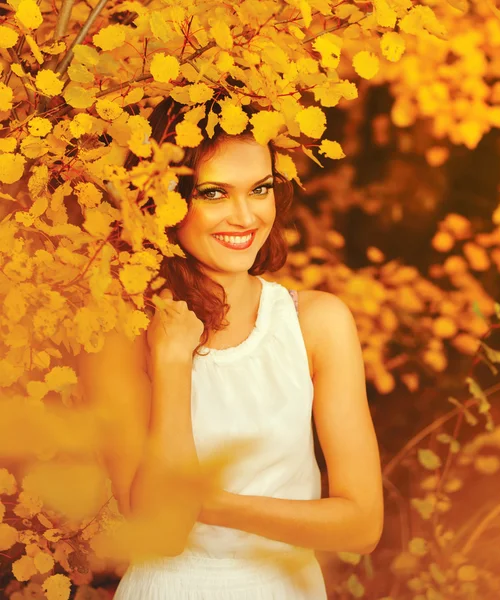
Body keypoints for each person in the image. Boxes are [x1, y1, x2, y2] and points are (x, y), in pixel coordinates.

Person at [76, 94, 383, 599]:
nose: (245, 217)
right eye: (214, 193)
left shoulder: (317, 324)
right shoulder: (119, 336)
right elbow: (163, 530)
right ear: (163, 200)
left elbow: (361, 525)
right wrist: (173, 363)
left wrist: (210, 503)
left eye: (259, 189)